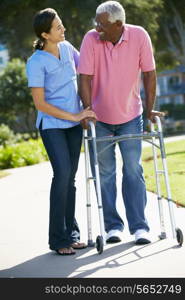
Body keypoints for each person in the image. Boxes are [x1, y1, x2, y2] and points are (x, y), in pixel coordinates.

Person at [78, 1, 164, 245]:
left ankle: (140, 227)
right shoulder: (91, 39)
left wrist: (149, 109)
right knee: (105, 173)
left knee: (133, 169)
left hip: (130, 116)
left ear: (118, 24)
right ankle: (112, 227)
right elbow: (84, 77)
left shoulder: (139, 36)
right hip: (100, 119)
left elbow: (149, 73)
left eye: (102, 24)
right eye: (96, 22)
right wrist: (87, 110)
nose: (97, 27)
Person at [26, 8, 97, 255]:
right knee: (63, 174)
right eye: (57, 27)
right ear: (45, 34)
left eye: (61, 24)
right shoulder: (35, 61)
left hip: (73, 126)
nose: (63, 29)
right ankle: (57, 240)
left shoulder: (68, 49)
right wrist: (76, 115)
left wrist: (87, 109)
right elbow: (40, 104)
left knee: (70, 179)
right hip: (53, 126)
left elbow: (86, 71)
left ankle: (72, 234)